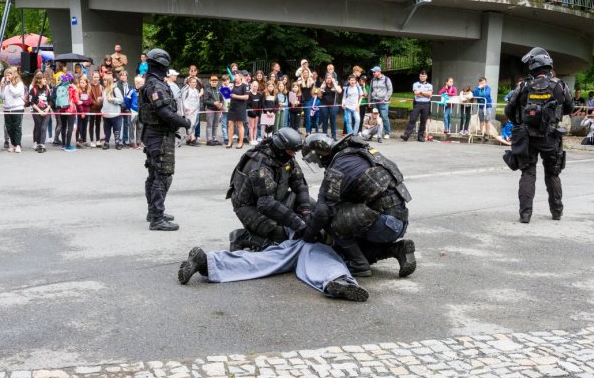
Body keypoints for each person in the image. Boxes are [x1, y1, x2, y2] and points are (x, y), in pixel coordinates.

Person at [301, 134, 416, 278]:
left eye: (315, 160)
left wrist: (307, 236)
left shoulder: (339, 166)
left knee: (332, 220)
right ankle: (398, 249)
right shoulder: (359, 152)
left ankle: (359, 265)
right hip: (400, 221)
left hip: (384, 223)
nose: (317, 164)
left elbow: (322, 211)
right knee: (353, 251)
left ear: (320, 154)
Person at [504, 47, 573, 223]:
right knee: (552, 174)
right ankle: (556, 211)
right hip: (551, 136)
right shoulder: (559, 85)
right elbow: (569, 108)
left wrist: (520, 124)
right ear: (549, 67)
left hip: (528, 137)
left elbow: (509, 109)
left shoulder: (524, 86)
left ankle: (525, 215)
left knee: (528, 173)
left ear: (533, 68)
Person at [177, 241, 369, 302]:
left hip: (288, 235)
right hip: (301, 235)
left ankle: (207, 262)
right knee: (323, 255)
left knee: (265, 261)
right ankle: (340, 281)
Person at [226, 127, 311, 251]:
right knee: (279, 237)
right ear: (281, 149)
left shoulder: (286, 158)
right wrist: (297, 222)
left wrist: (305, 211)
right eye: (291, 151)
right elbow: (265, 204)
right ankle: (241, 237)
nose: (293, 154)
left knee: (310, 204)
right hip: (250, 207)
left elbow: (299, 184)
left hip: (273, 198)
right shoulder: (260, 165)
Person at [138, 48, 192, 231]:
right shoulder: (156, 85)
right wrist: (185, 122)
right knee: (162, 175)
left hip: (154, 133)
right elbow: (164, 111)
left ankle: (154, 212)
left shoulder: (153, 82)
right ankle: (157, 217)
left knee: (155, 174)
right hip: (158, 135)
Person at [401, 70, 432, 142]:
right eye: (421, 76)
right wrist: (425, 94)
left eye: (424, 76)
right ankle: (406, 135)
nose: (422, 77)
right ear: (419, 76)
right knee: (412, 119)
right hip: (417, 103)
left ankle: (420, 137)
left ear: (426, 76)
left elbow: (429, 95)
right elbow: (416, 93)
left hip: (426, 104)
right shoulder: (415, 84)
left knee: (423, 121)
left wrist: (421, 92)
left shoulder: (430, 85)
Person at [29, 71, 51, 153]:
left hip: (46, 111)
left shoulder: (47, 89)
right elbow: (31, 102)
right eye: (44, 79)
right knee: (38, 127)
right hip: (37, 111)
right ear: (39, 80)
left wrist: (48, 108)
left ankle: (42, 144)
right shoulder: (33, 89)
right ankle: (37, 143)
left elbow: (50, 100)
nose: (45, 80)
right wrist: (39, 110)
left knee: (43, 127)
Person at [101, 74, 124, 150]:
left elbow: (121, 100)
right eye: (103, 80)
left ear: (109, 81)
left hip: (115, 114)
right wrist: (101, 99)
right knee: (106, 130)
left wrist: (113, 100)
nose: (103, 81)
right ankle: (106, 143)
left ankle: (117, 143)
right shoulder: (104, 90)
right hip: (106, 114)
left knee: (116, 129)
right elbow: (105, 102)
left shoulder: (115, 89)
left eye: (105, 80)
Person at [369, 66, 393, 139]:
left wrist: (385, 99)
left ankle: (387, 133)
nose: (373, 73)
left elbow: (390, 90)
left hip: (383, 101)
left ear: (379, 72)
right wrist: (369, 101)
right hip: (374, 101)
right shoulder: (372, 80)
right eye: (373, 72)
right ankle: (377, 132)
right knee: (375, 117)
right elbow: (370, 91)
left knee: (384, 117)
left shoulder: (386, 79)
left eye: (374, 72)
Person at [227, 73, 248, 149]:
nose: (234, 77)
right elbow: (228, 95)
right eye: (234, 76)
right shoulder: (232, 85)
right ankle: (230, 142)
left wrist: (235, 96)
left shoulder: (244, 86)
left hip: (240, 107)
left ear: (241, 78)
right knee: (230, 124)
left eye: (236, 76)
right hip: (232, 107)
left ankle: (240, 143)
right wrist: (228, 90)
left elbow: (246, 97)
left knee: (240, 125)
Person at [319, 73, 341, 140]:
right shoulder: (323, 85)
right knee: (324, 120)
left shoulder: (335, 85)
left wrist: (334, 83)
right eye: (327, 78)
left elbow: (339, 91)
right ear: (325, 79)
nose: (329, 79)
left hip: (333, 105)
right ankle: (324, 135)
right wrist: (321, 88)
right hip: (324, 105)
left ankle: (333, 136)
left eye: (330, 78)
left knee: (333, 120)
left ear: (332, 78)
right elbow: (319, 96)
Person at [203, 75, 223, 146]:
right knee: (209, 125)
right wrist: (214, 103)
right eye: (213, 82)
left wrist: (221, 104)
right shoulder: (207, 90)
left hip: (218, 110)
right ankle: (209, 140)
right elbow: (205, 101)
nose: (214, 83)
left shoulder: (219, 89)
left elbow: (222, 99)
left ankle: (214, 139)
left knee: (216, 125)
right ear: (210, 82)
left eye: (215, 82)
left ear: (217, 82)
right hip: (210, 109)